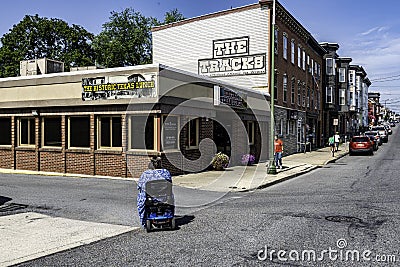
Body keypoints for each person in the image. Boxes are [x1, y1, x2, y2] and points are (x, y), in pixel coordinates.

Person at [137, 156, 173, 228]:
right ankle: (170, 213)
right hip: (165, 198)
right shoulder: (166, 172)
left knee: (141, 193)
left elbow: (139, 186)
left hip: (151, 198)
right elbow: (170, 184)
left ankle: (143, 219)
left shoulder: (146, 174)